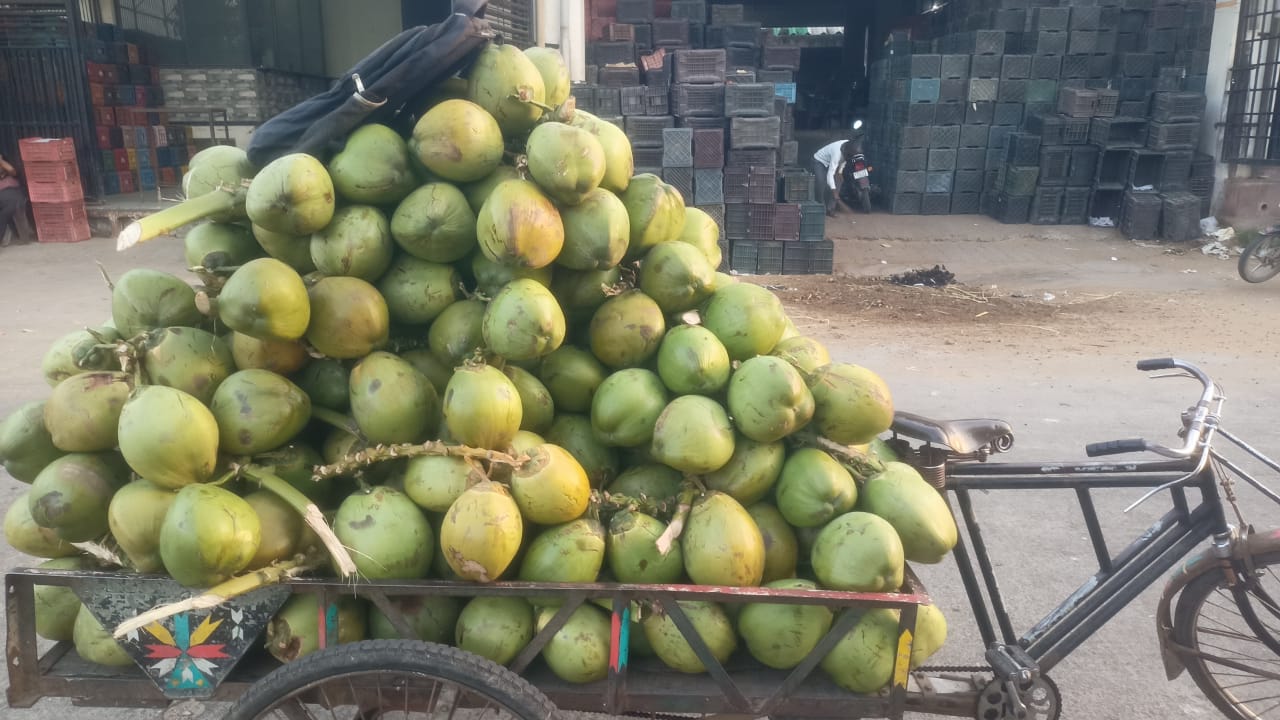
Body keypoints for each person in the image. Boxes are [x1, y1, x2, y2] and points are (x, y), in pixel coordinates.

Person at [813, 138, 857, 217]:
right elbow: (830, 175)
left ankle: (830, 209)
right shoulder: (837, 154)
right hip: (820, 161)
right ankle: (822, 209)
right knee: (821, 183)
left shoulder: (849, 147)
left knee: (839, 181)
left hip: (831, 163)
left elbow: (844, 161)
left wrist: (840, 172)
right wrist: (834, 192)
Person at [0, 154, 33, 246]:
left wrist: (1, 161)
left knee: (12, 207)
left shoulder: (10, 175)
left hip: (13, 197)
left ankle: (21, 236)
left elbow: (11, 170)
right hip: (7, 200)